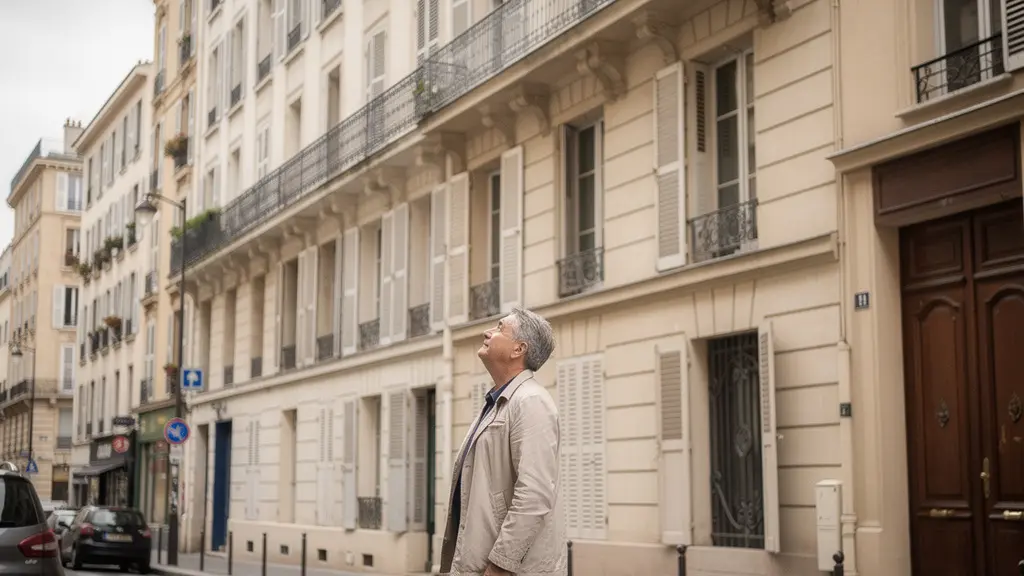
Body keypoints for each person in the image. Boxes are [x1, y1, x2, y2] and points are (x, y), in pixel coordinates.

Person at [439, 307, 564, 576]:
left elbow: (534, 494)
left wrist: (500, 565)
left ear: (518, 349)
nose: (487, 332)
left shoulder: (530, 401)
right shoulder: (498, 402)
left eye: (499, 328)